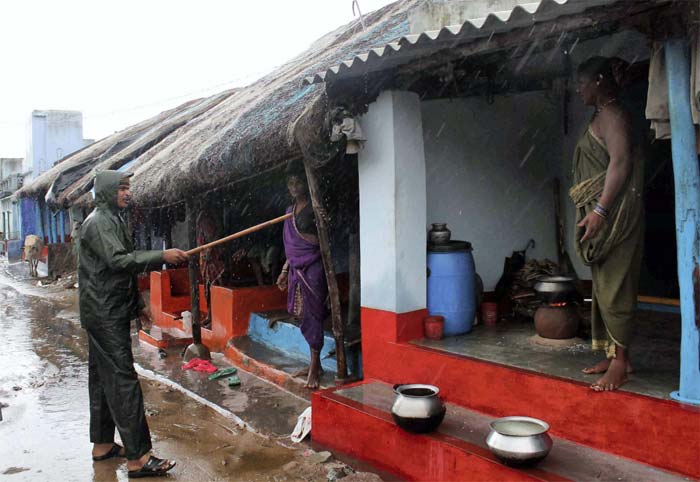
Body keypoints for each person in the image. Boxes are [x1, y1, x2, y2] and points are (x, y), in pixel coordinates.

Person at [79, 170, 188, 477]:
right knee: (123, 380)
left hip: (106, 308)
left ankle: (102, 444)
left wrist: (137, 305)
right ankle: (138, 458)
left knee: (102, 378)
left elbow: (118, 269)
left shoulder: (111, 221)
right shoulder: (99, 223)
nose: (128, 192)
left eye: (128, 187)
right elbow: (119, 261)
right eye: (122, 188)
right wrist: (162, 256)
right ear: (108, 191)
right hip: (104, 312)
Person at [570, 57, 645, 391]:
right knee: (603, 285)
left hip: (616, 215)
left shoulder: (613, 115)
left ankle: (621, 363)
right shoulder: (602, 114)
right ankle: (615, 354)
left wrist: (600, 211)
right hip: (603, 212)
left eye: (582, 82)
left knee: (617, 284)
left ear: (599, 81)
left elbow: (621, 163)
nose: (578, 89)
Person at [276, 164, 327, 389]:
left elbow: (325, 235)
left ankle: (315, 365)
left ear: (306, 183)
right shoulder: (289, 211)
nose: (294, 187)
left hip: (314, 266)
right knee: (302, 314)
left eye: (298, 182)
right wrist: (285, 270)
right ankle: (314, 362)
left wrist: (325, 219)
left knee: (314, 313)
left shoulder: (316, 207)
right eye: (290, 184)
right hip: (296, 268)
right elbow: (290, 247)